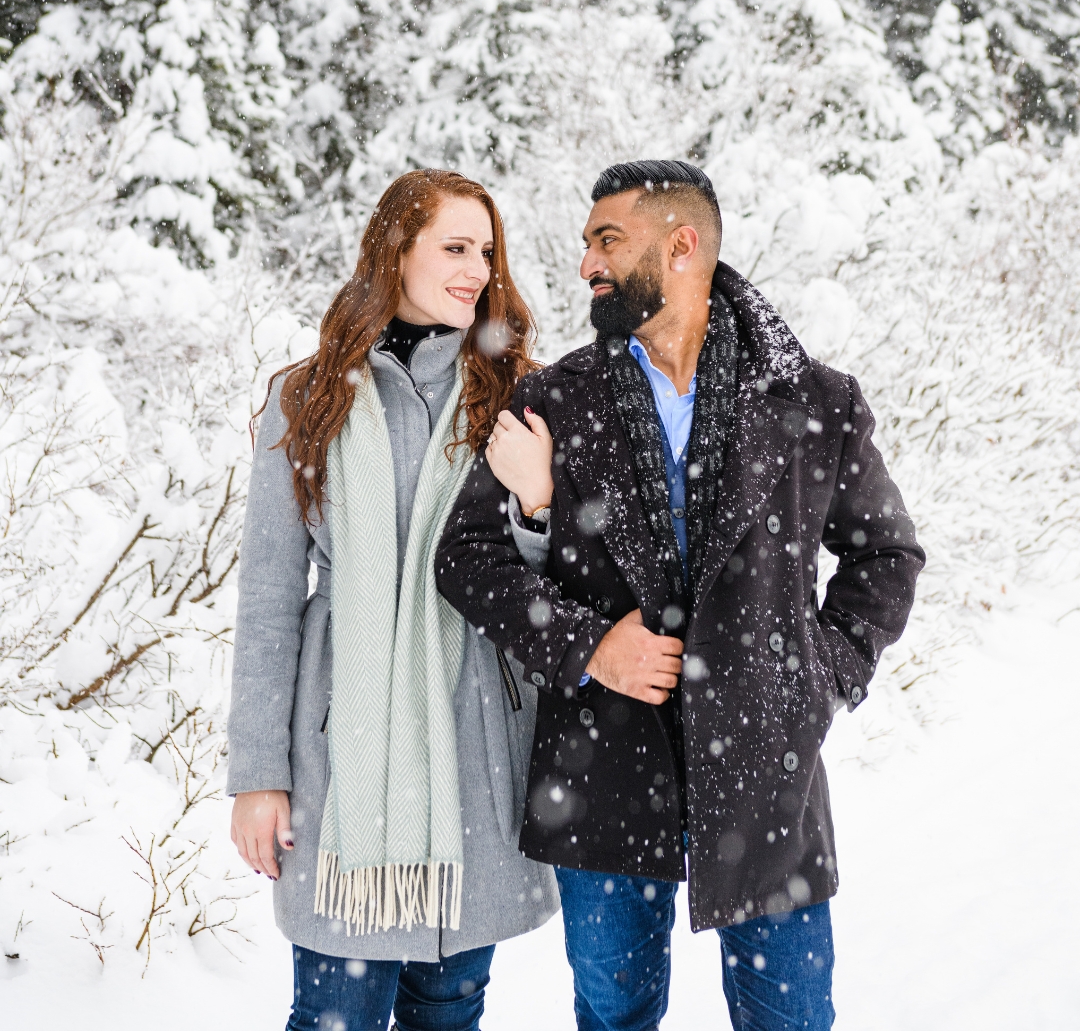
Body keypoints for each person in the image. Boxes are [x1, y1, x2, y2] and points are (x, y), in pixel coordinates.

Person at [437, 160, 925, 1030]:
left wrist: (818, 677)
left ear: (683, 245)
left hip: (766, 768)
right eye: (586, 241)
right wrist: (588, 646)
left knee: (790, 1015)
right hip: (603, 769)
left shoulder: (816, 399)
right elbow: (468, 558)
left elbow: (885, 556)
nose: (586, 261)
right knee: (614, 1013)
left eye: (608, 240)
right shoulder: (552, 397)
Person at [226, 169, 561, 1031]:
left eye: (485, 252)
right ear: (394, 252)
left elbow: (564, 581)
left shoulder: (521, 393)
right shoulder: (306, 400)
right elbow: (268, 598)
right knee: (335, 1011)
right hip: (342, 756)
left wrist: (538, 506)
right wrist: (259, 775)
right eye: (453, 248)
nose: (476, 270)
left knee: (449, 1011)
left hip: (474, 742)